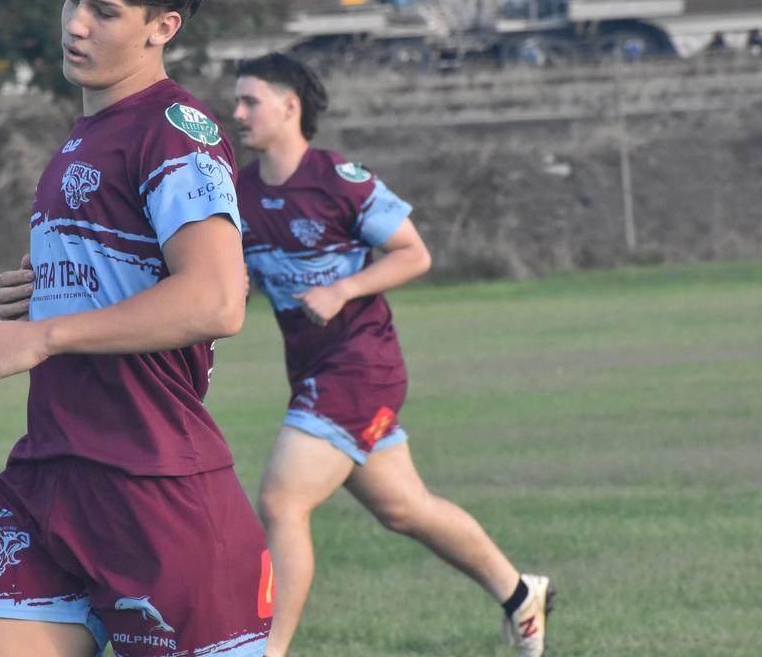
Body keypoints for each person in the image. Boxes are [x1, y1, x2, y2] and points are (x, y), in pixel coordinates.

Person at [0, 0, 272, 657]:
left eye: (104, 11)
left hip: (155, 493)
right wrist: (56, 292)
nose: (77, 24)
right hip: (47, 483)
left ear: (164, 25)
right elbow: (135, 279)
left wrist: (46, 332)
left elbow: (217, 299)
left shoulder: (174, 129)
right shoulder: (84, 134)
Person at [231, 52, 553, 657]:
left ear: (289, 107)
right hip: (311, 371)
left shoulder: (340, 180)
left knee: (281, 498)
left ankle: (265, 653)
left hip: (361, 367)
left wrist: (343, 287)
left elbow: (414, 253)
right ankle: (519, 594)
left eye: (250, 101)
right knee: (406, 510)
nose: (238, 112)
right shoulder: (239, 192)